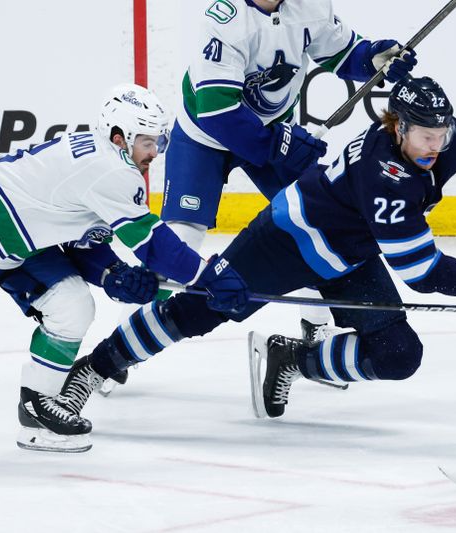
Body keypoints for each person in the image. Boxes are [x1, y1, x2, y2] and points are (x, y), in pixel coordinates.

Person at [54, 76, 456, 431]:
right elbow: (420, 270)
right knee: (199, 309)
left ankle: (291, 358)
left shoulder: (447, 140)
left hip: (349, 255)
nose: (436, 146)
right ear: (398, 126)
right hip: (288, 240)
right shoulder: (383, 173)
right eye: (425, 135)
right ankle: (95, 368)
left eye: (443, 133)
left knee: (398, 357)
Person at [0, 83, 250, 452]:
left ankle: (36, 410)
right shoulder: (110, 171)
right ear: (121, 137)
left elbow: (77, 243)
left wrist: (113, 275)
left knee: (73, 305)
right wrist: (206, 275)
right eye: (148, 142)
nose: (156, 152)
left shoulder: (103, 159)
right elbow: (153, 245)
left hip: (18, 240)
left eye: (159, 142)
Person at [162, 0, 418, 339]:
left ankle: (314, 329)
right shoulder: (226, 18)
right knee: (180, 236)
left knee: (313, 220)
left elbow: (342, 53)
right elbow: (218, 111)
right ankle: (127, 341)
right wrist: (278, 145)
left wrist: (373, 58)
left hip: (272, 131)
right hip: (204, 136)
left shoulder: (308, 5)